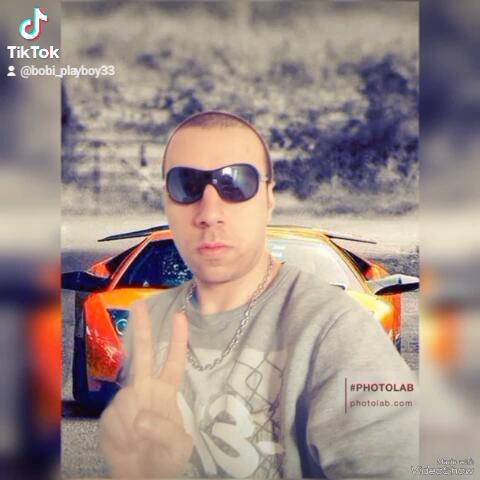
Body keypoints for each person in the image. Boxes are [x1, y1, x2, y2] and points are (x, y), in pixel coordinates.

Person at [99, 111, 418, 479]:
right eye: (186, 185)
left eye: (236, 184)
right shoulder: (149, 320)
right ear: (167, 201)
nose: (210, 213)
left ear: (268, 197)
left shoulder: (338, 328)